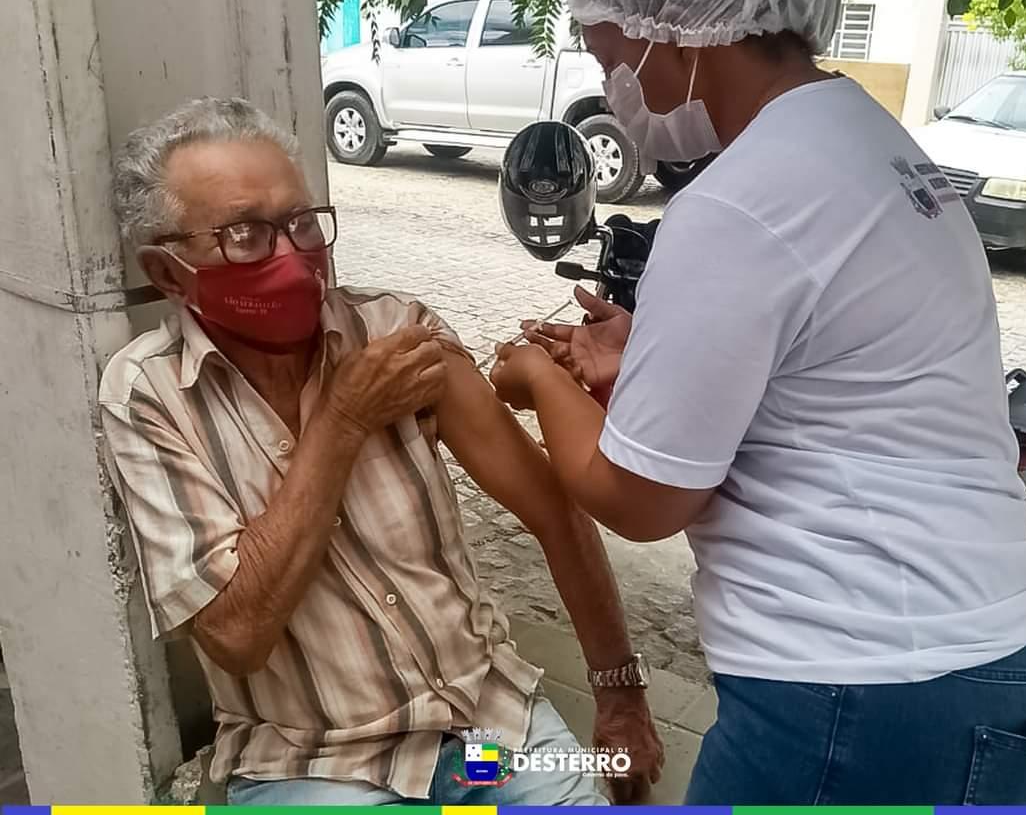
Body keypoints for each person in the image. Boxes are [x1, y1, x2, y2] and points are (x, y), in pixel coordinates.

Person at [490, 0, 1026, 805]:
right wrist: (652, 347)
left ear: (673, 27)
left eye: (606, 55)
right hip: (1000, 659)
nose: (611, 81)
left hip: (860, 691)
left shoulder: (737, 201)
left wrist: (541, 380)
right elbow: (833, 372)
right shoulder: (875, 145)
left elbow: (641, 498)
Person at [99, 97, 663, 806]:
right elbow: (238, 635)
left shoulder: (397, 332)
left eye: (303, 223)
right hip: (316, 765)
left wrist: (620, 695)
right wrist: (342, 420)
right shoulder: (149, 397)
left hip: (485, 736)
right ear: (171, 272)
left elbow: (553, 509)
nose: (294, 255)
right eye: (246, 234)